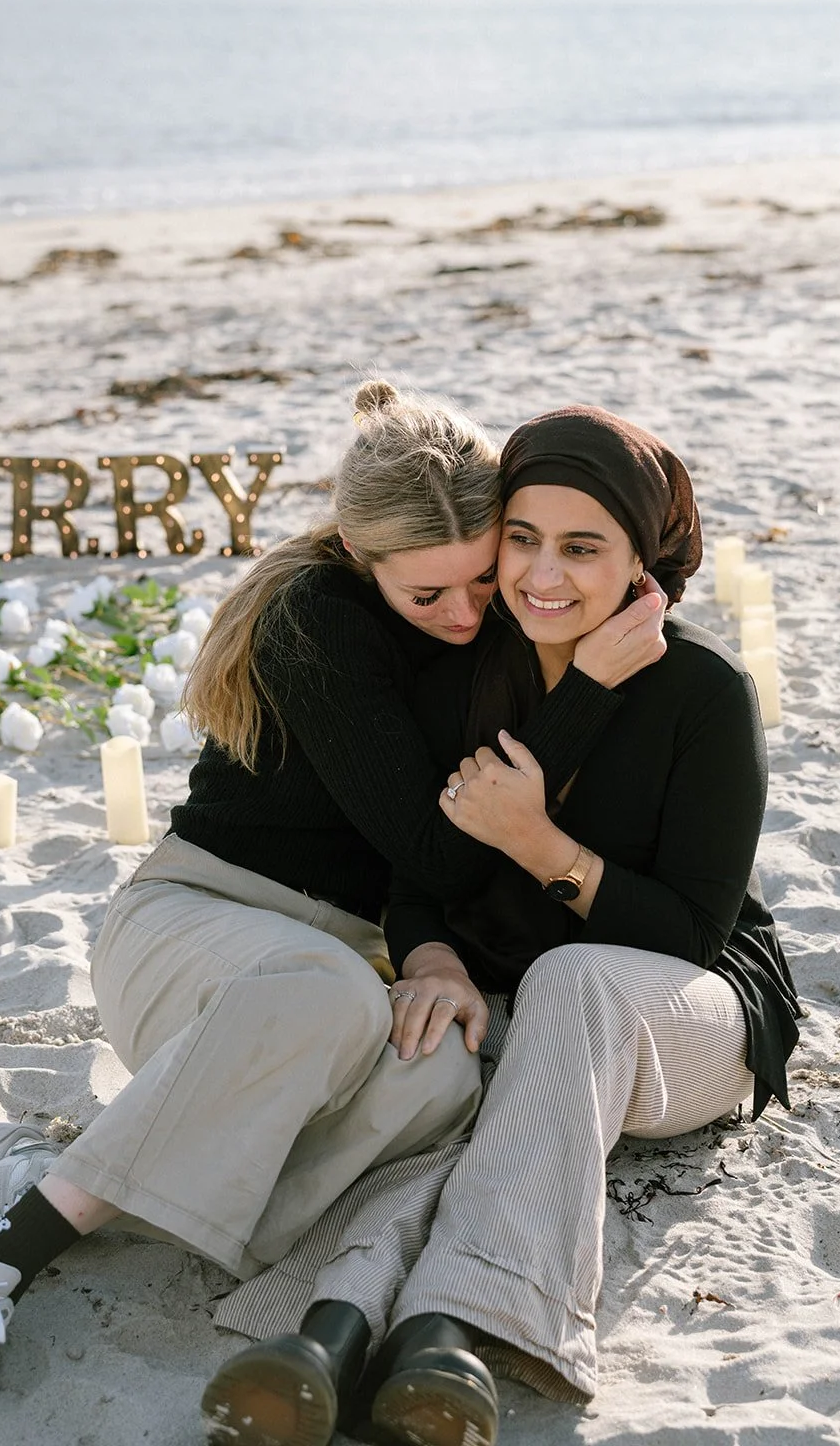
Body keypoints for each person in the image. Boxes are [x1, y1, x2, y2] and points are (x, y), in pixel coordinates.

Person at [0, 383, 668, 1446]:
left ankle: (46, 1176)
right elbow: (433, 847)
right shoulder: (312, 621)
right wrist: (583, 689)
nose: (463, 616)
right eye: (426, 597)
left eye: (478, 582)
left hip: (335, 980)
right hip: (197, 928)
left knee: (442, 1075)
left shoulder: (495, 620)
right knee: (329, 996)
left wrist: (437, 957)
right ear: (364, 560)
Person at [307, 404, 801, 1446]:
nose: (540, 574)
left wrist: (541, 847)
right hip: (525, 1002)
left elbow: (688, 937)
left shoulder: (704, 694)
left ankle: (461, 1320)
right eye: (521, 539)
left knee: (571, 983)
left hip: (691, 1016)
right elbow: (418, 877)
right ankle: (334, 1329)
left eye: (582, 548)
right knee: (448, 1078)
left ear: (641, 560)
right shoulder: (464, 678)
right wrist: (430, 957)